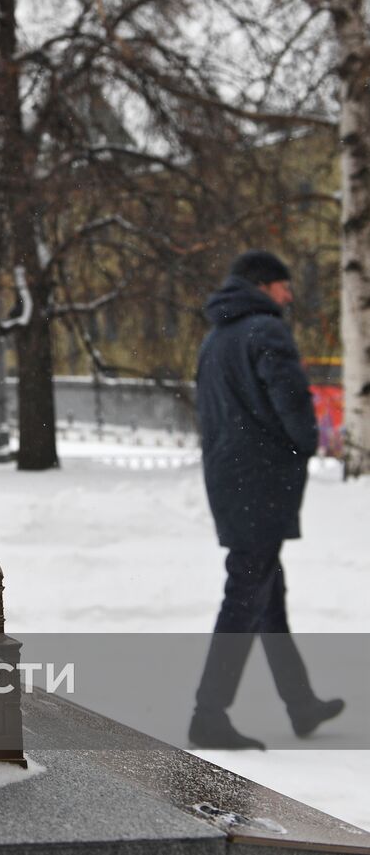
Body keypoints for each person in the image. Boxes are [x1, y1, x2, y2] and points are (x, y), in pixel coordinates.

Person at [189, 250, 344, 749]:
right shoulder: (266, 331)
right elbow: (293, 403)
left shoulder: (215, 339)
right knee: (245, 592)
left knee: (265, 592)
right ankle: (209, 713)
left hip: (230, 479)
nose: (290, 295)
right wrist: (304, 441)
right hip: (260, 481)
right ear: (261, 285)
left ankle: (300, 703)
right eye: (284, 285)